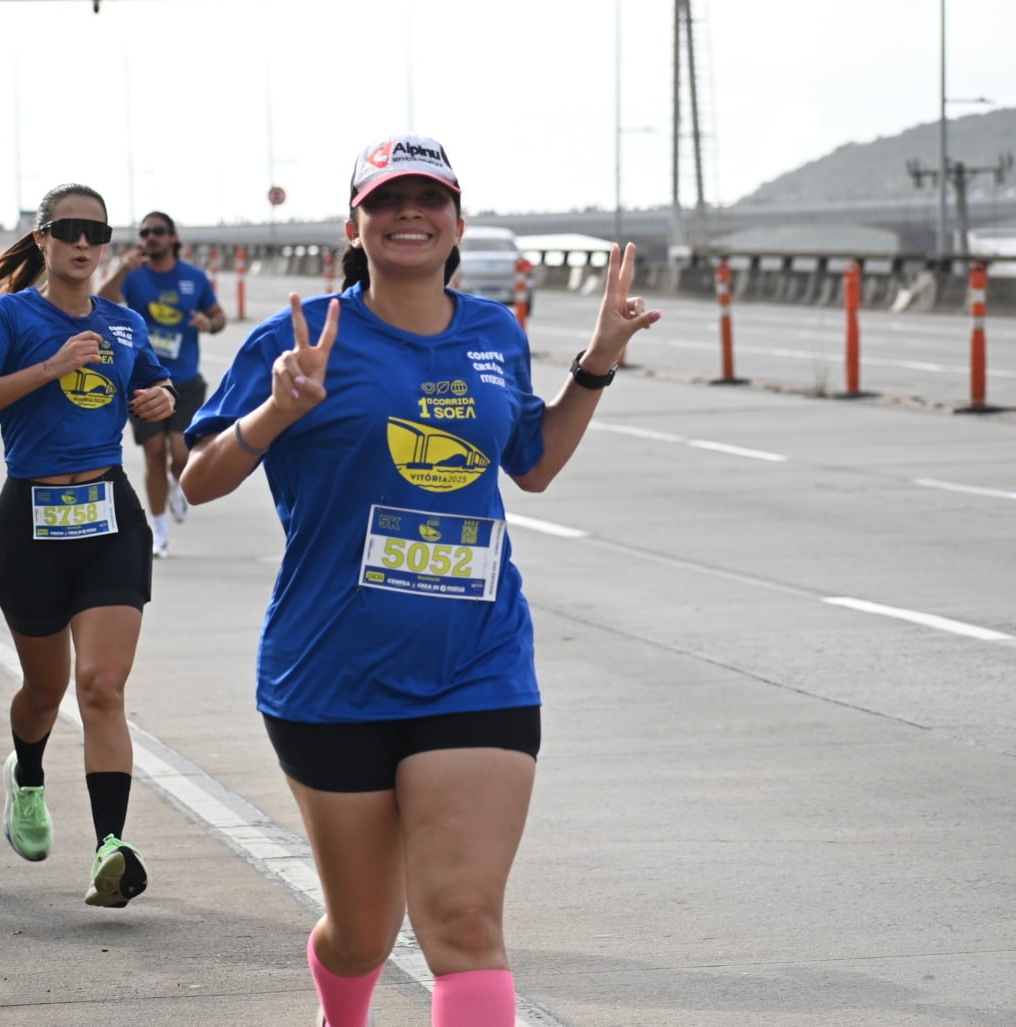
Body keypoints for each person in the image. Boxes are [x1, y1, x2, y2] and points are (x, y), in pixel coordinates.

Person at [179, 134, 659, 1027]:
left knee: (465, 921)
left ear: (458, 224)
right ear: (354, 225)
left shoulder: (493, 332)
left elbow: (535, 464)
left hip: (476, 664)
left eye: (429, 199)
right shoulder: (293, 337)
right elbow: (197, 479)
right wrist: (278, 408)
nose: (410, 213)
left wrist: (596, 363)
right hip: (329, 672)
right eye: (389, 199)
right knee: (364, 933)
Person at [0, 182, 176, 908]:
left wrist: (160, 399)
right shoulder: (9, 316)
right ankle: (27, 772)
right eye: (69, 229)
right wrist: (50, 368)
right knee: (45, 688)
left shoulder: (125, 324)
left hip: (108, 516)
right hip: (33, 523)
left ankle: (110, 846)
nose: (84, 243)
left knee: (102, 686)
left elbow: (150, 388)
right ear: (42, 238)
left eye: (96, 233)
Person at [96, 212, 224, 557]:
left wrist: (207, 324)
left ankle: (177, 487)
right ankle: (160, 530)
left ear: (172, 238)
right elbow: (99, 304)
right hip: (143, 381)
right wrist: (122, 269)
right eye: (145, 232)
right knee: (154, 454)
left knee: (180, 454)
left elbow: (219, 316)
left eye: (158, 232)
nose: (150, 237)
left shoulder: (193, 278)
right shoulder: (134, 276)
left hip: (186, 382)